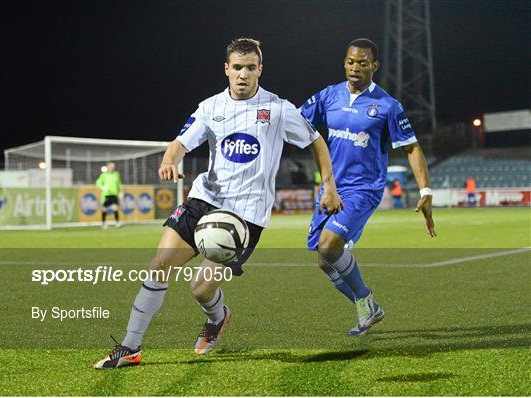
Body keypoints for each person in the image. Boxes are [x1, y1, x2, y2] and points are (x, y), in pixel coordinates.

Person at [94, 38, 342, 369]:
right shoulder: (210, 107)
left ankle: (217, 317)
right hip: (204, 200)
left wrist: (329, 186)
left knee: (200, 288)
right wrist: (171, 161)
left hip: (244, 216)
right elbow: (179, 144)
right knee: (159, 264)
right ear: (226, 69)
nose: (243, 75)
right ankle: (130, 347)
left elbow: (316, 141)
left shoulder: (279, 109)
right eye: (237, 67)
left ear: (260, 70)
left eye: (250, 68)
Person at [301, 38, 436, 337]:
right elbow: (296, 122)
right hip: (332, 187)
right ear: (344, 62)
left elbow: (412, 148)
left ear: (374, 66)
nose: (355, 67)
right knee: (324, 261)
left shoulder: (388, 106)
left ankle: (364, 299)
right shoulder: (329, 96)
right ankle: (368, 305)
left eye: (363, 63)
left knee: (329, 245)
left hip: (364, 188)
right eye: (351, 61)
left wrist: (425, 191)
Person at [95, 162, 122, 228]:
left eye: (113, 167)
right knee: (104, 208)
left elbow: (119, 184)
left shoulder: (116, 174)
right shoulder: (104, 175)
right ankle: (103, 223)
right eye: (110, 167)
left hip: (114, 194)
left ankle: (117, 222)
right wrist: (103, 188)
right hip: (106, 195)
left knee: (116, 208)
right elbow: (98, 183)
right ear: (108, 167)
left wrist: (120, 191)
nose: (112, 168)